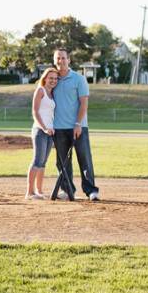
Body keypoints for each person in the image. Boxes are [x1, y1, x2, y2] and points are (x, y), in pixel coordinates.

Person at [51, 49, 100, 201]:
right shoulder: (53, 80)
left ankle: (91, 191)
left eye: (63, 58)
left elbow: (84, 103)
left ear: (69, 60)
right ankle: (67, 190)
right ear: (55, 61)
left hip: (78, 127)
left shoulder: (79, 79)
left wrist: (78, 123)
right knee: (63, 162)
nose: (61, 61)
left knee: (84, 158)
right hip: (59, 128)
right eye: (58, 58)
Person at [26, 67, 58, 200]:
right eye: (50, 78)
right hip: (40, 130)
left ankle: (39, 191)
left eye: (55, 78)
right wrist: (44, 128)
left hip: (50, 132)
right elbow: (35, 112)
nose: (53, 81)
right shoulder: (40, 90)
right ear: (45, 78)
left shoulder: (52, 94)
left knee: (43, 163)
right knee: (37, 161)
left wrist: (51, 128)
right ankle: (29, 192)